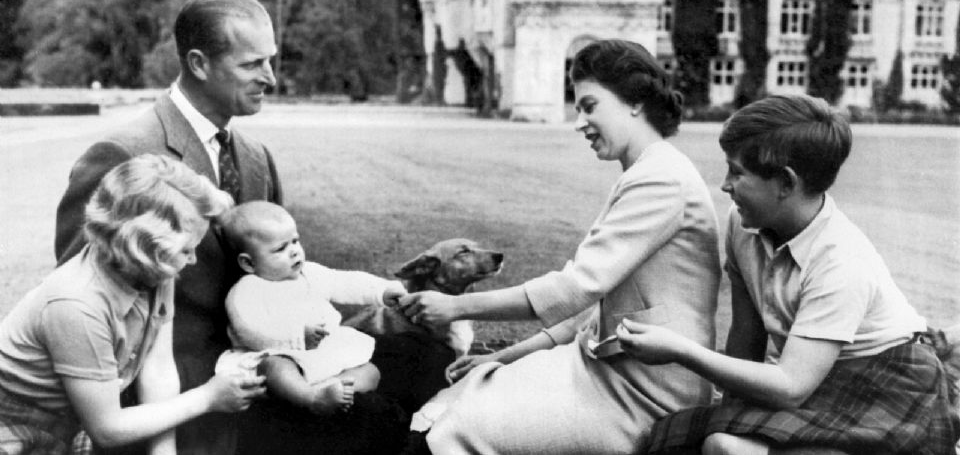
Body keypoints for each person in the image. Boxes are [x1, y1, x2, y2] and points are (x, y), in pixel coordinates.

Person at [397, 39, 723, 454]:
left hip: (645, 396)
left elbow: (576, 289)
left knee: (462, 428)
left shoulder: (662, 179)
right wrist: (507, 356)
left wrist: (458, 306)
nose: (578, 121)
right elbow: (590, 311)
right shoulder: (646, 171)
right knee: (466, 394)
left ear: (635, 102)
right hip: (604, 373)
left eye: (589, 106)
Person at [622, 94, 960, 455]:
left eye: (737, 172)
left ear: (785, 182)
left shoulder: (841, 260)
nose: (724, 185)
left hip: (888, 381)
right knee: (674, 437)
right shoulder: (743, 225)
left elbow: (790, 386)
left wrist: (680, 350)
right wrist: (730, 410)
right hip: (812, 373)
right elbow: (746, 338)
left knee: (725, 448)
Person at [54, 0, 282, 455]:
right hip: (162, 414)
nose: (272, 78)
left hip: (260, 396)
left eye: (270, 60)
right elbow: (81, 313)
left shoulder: (258, 160)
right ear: (198, 64)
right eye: (252, 64)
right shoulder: (121, 156)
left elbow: (283, 278)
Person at [0, 155, 266, 455]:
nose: (191, 261)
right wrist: (206, 398)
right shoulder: (77, 303)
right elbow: (108, 429)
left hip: (76, 416)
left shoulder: (154, 268)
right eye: (186, 251)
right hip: (17, 426)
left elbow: (158, 367)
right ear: (141, 248)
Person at [215, 201, 406, 414]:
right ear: (249, 263)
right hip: (280, 352)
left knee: (370, 372)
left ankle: (336, 389)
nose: (294, 252)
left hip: (320, 352)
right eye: (280, 248)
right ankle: (312, 399)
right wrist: (297, 335)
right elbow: (249, 328)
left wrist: (381, 291)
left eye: (295, 241)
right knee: (275, 368)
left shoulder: (309, 273)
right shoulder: (248, 290)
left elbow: (344, 282)